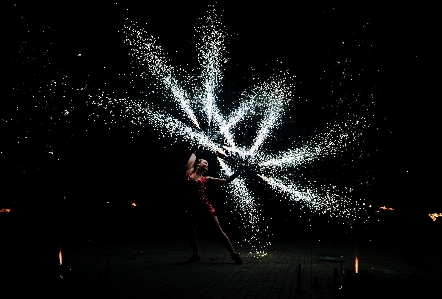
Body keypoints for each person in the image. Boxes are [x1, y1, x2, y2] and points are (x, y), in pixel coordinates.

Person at [185, 146, 242, 264]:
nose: (207, 164)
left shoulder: (207, 179)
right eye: (205, 162)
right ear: (198, 164)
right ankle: (196, 255)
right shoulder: (189, 172)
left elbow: (227, 180)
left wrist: (237, 173)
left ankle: (233, 254)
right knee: (191, 233)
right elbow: (192, 157)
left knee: (218, 231)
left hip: (205, 207)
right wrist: (200, 148)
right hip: (192, 208)